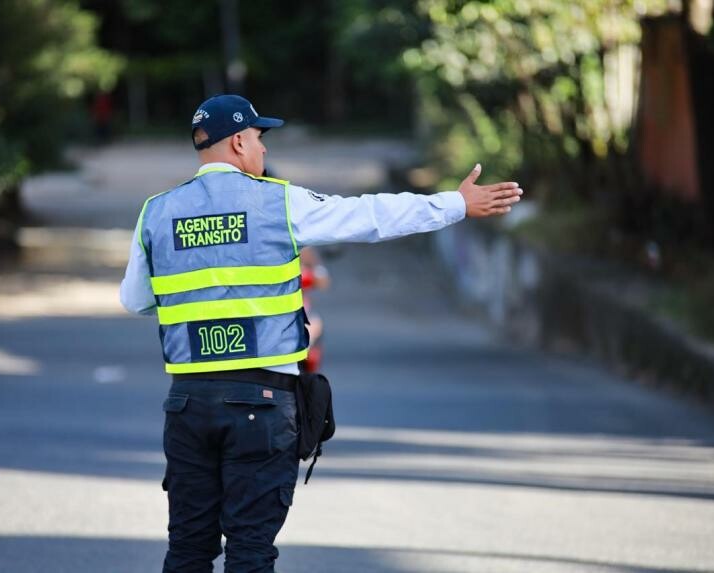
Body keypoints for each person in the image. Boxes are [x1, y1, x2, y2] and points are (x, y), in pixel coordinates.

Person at [119, 94, 522, 573]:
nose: (264, 150)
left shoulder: (156, 212)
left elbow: (135, 299)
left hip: (188, 404)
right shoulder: (278, 201)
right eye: (260, 139)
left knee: (188, 548)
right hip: (261, 403)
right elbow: (369, 216)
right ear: (239, 141)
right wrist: (455, 204)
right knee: (249, 550)